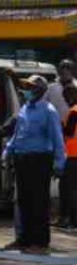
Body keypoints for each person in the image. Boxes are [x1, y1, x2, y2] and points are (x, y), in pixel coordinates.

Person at [5, 75, 66, 253]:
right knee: (23, 200)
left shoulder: (49, 111)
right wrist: (8, 150)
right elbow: (18, 133)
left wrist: (59, 162)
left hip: (40, 159)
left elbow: (57, 139)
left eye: (30, 87)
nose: (27, 90)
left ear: (39, 90)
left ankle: (39, 242)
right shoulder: (25, 109)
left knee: (38, 201)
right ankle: (24, 239)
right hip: (22, 158)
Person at [57, 85, 77, 229]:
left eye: (67, 97)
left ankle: (72, 220)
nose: (66, 100)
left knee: (70, 190)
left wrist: (59, 125)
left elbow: (69, 132)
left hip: (73, 155)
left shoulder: (74, 111)